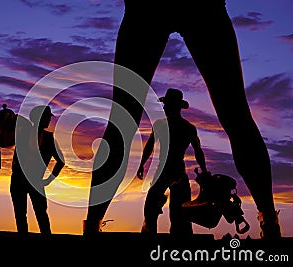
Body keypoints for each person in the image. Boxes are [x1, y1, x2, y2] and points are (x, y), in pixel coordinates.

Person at [84, 0, 281, 239]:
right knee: (236, 115)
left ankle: (93, 224)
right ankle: (269, 220)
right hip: (188, 9)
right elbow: (170, 147)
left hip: (156, 10)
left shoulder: (175, 127)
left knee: (123, 120)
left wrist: (200, 168)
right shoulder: (173, 127)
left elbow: (185, 149)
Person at [137, 88, 208, 237]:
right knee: (171, 210)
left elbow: (198, 150)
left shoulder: (171, 126)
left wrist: (204, 169)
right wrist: (204, 169)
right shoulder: (185, 127)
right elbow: (198, 150)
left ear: (174, 106)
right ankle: (166, 236)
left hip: (169, 170)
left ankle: (159, 237)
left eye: (167, 105)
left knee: (162, 209)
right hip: (174, 171)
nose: (164, 107)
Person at [10, 105, 65, 238]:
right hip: (25, 180)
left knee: (32, 214)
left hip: (28, 180)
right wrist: (48, 180)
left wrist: (48, 180)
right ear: (41, 118)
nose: (49, 120)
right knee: (32, 214)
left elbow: (61, 161)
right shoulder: (23, 133)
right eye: (47, 117)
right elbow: (61, 161)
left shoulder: (24, 133)